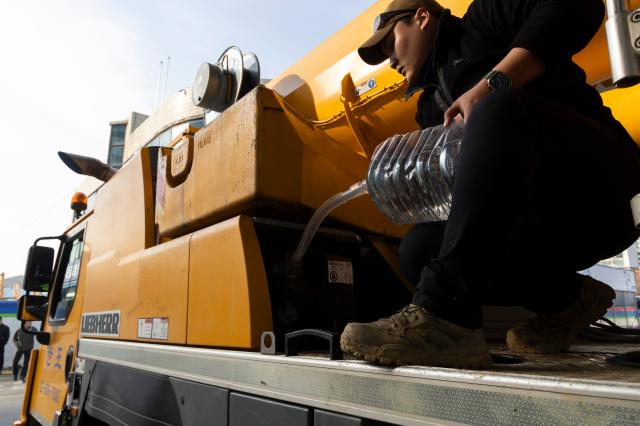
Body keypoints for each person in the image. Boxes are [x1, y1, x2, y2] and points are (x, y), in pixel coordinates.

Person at [340, 0, 640, 368]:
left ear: (420, 18)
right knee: (419, 248)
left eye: (391, 45)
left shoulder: (484, 21)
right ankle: (570, 299)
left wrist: (492, 84)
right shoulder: (430, 109)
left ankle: (445, 320)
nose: (391, 61)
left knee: (498, 109)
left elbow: (578, 6)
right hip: (540, 225)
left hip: (600, 190)